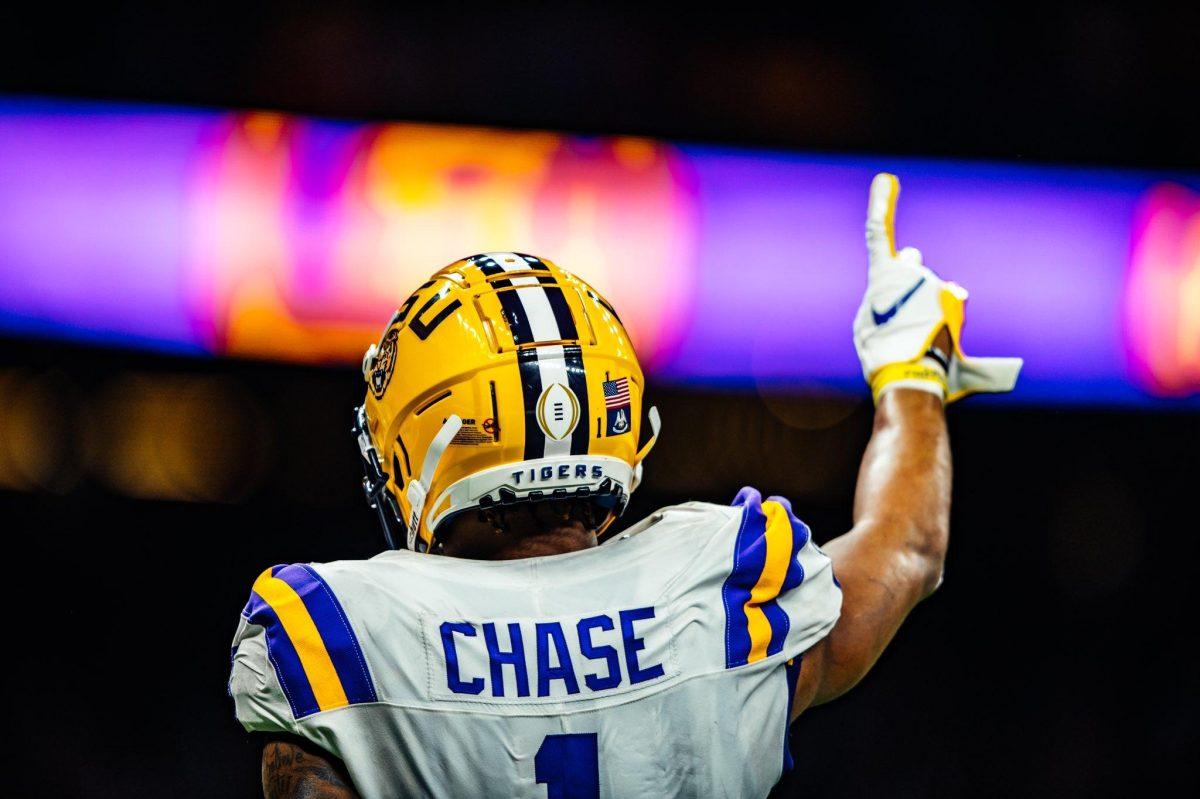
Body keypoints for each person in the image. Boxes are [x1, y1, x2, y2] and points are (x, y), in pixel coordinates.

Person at [228, 173, 1021, 798]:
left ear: (420, 440)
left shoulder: (332, 632)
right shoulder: (726, 586)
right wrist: (908, 372)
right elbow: (908, 545)